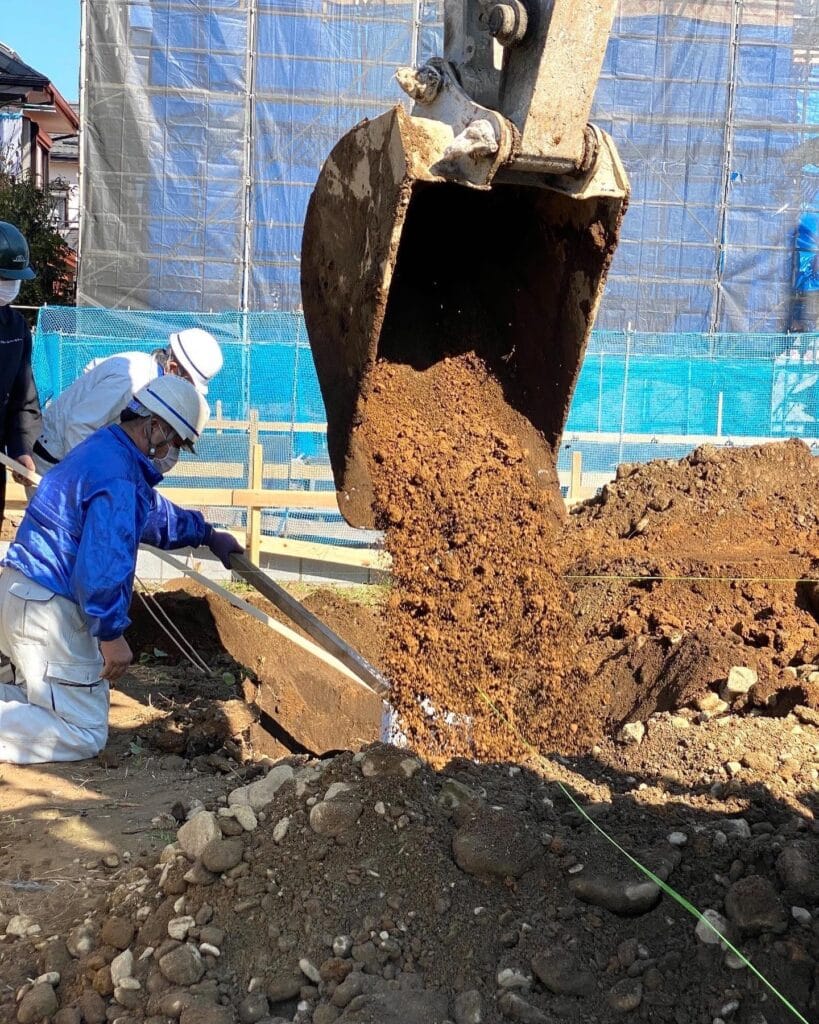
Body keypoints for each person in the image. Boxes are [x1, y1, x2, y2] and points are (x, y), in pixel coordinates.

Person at [0, 374, 243, 764]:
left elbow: (151, 514)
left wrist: (206, 534)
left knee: (41, 698)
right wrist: (111, 633)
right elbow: (101, 563)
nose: (174, 453)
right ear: (154, 426)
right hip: (49, 608)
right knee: (83, 732)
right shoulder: (118, 477)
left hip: (22, 592)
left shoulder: (107, 452)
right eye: (175, 442)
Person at [33, 326, 223, 474]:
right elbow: (78, 427)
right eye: (187, 383)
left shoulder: (154, 387)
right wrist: (93, 481)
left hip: (78, 457)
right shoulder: (131, 379)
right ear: (173, 368)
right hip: (55, 458)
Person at [0, 221, 42, 517]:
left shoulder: (15, 330)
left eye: (13, 279)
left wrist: (21, 449)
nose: (9, 287)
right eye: (3, 277)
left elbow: (22, 400)